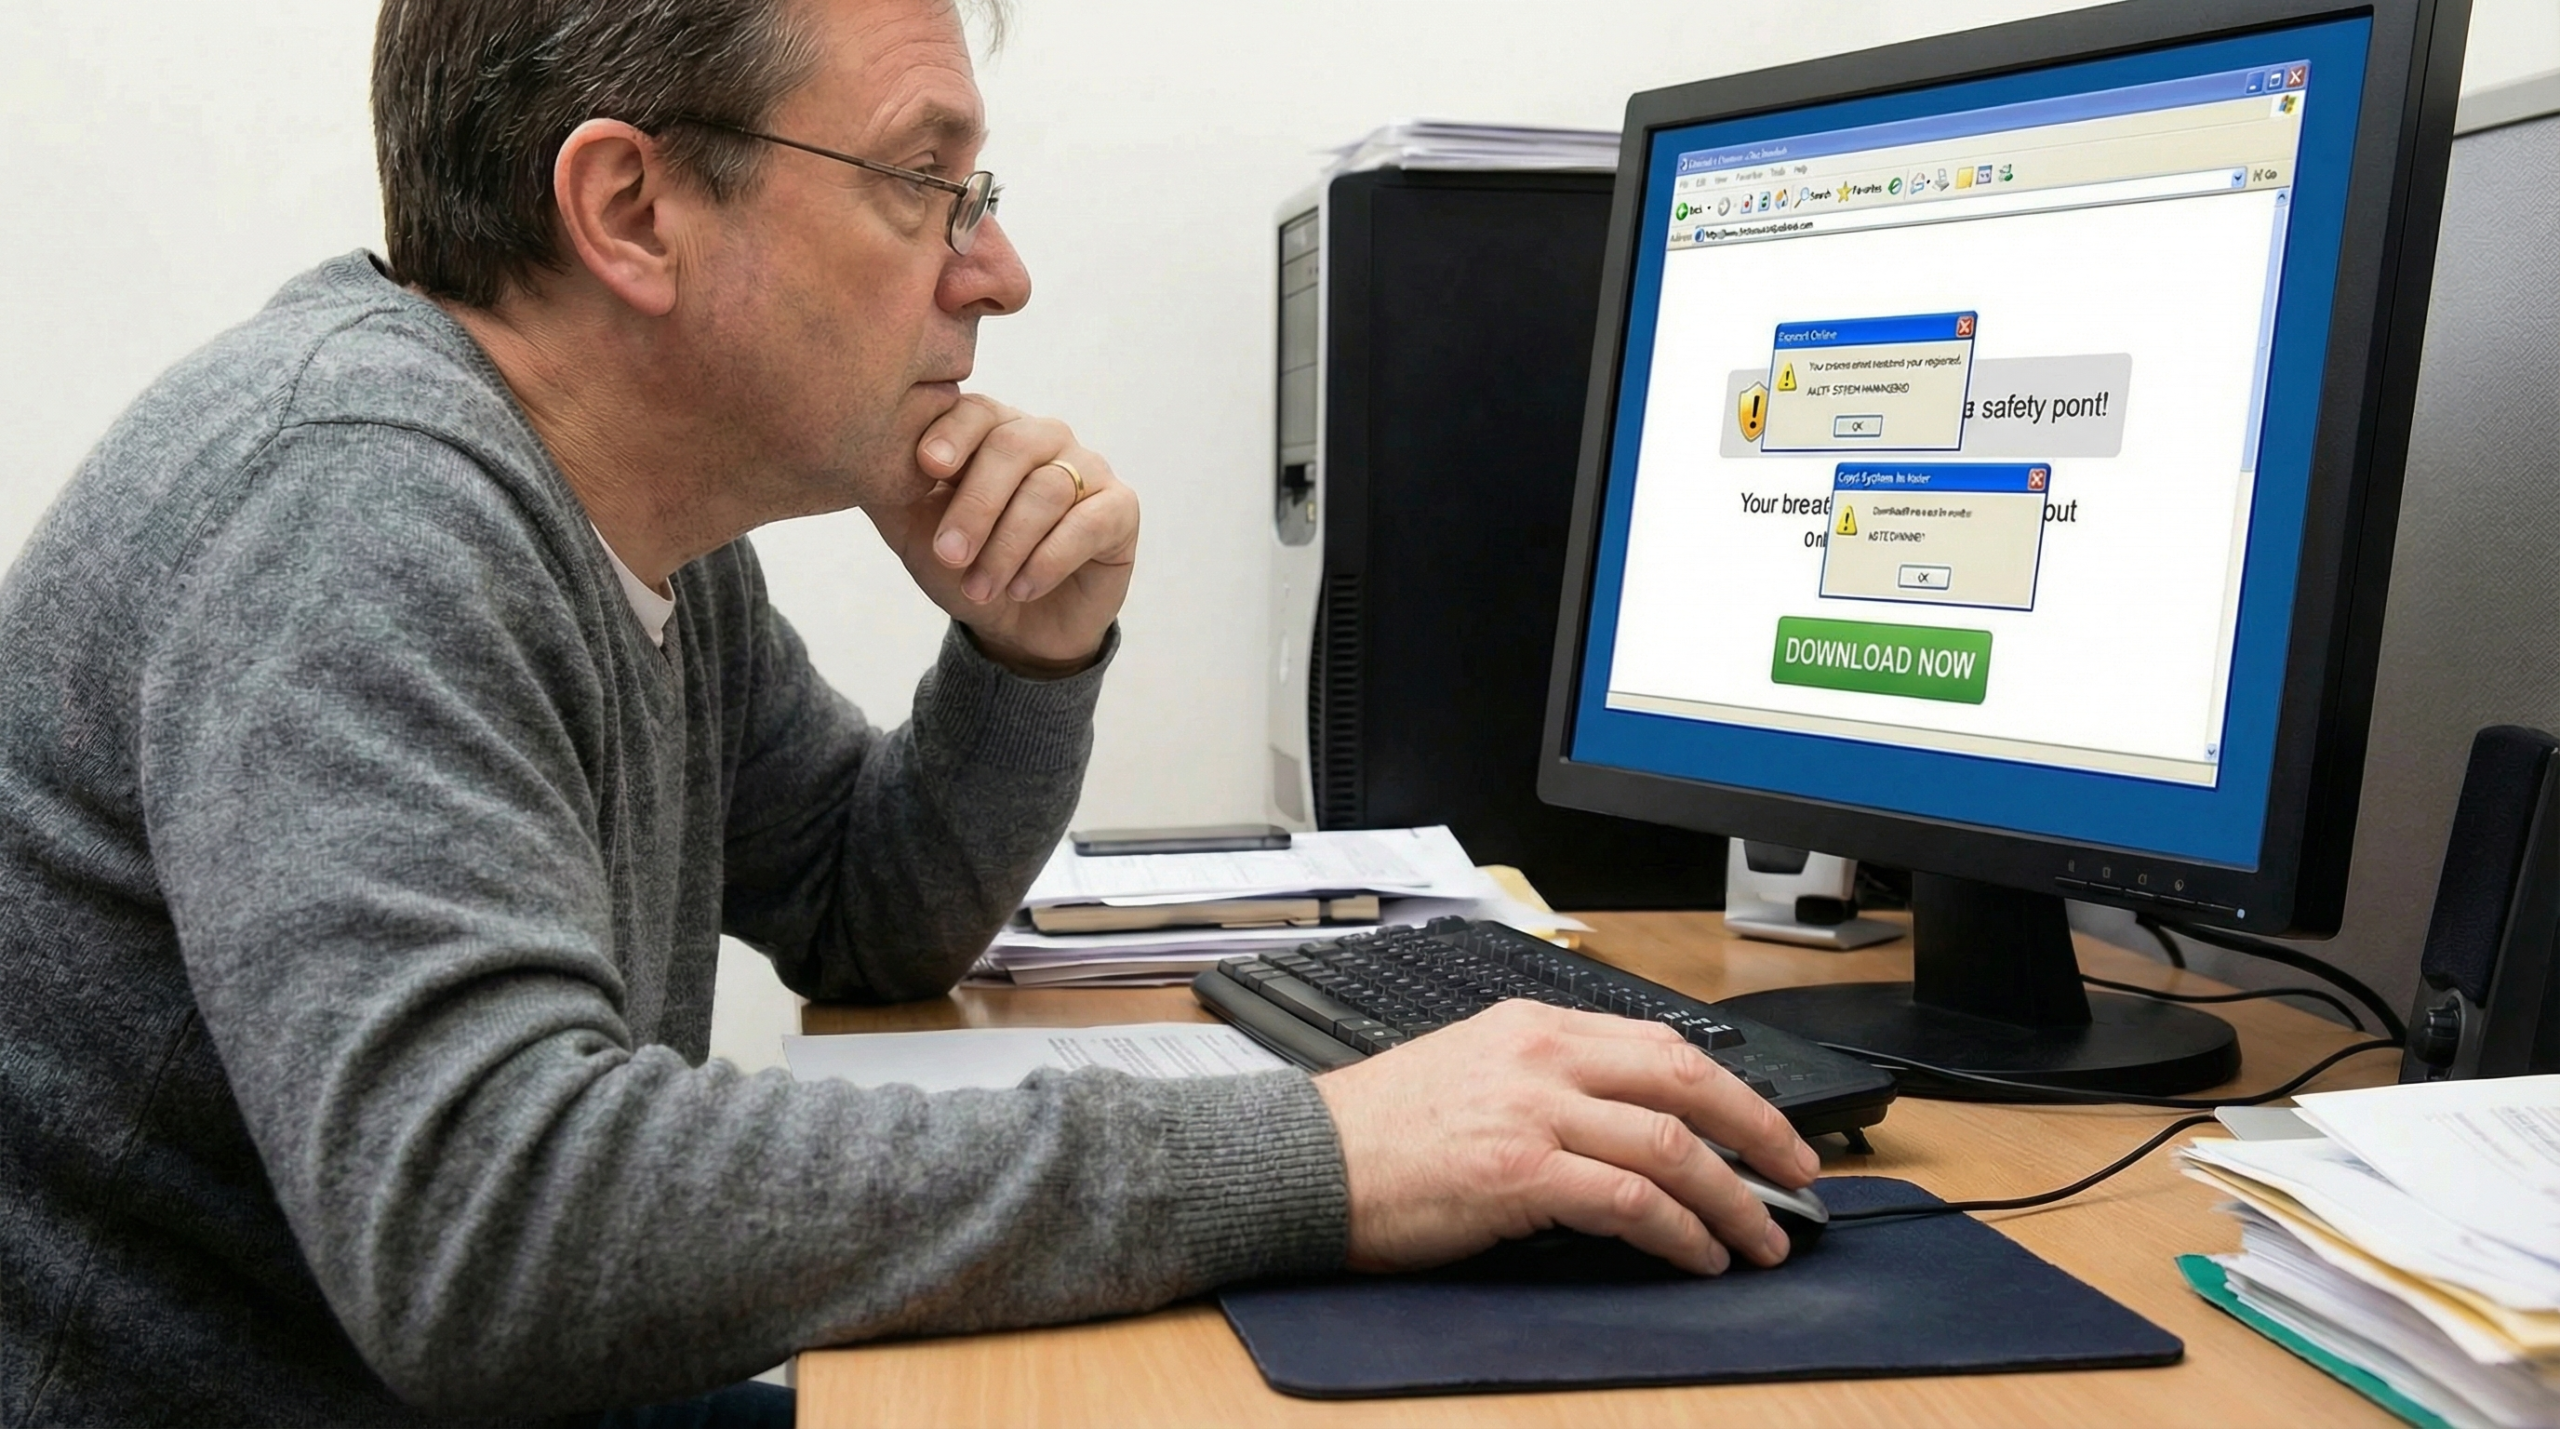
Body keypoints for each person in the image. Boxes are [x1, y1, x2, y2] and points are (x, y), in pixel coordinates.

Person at [0, 0, 1820, 1423]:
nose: (995, 270)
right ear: (629, 208)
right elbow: (498, 1227)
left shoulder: (622, 521)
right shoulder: (353, 502)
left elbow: (863, 917)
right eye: (923, 181)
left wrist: (1025, 660)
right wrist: (1327, 1150)